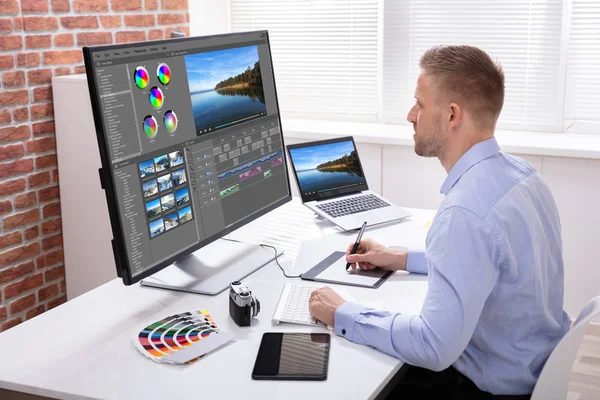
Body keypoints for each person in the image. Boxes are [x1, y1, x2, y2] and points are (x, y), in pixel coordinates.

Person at [308, 45, 571, 399]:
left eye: (419, 103)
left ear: (451, 115)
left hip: (485, 390)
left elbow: (433, 346)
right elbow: (489, 263)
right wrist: (400, 258)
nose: (409, 114)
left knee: (354, 375)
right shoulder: (523, 176)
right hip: (532, 369)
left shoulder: (465, 213)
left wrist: (344, 313)